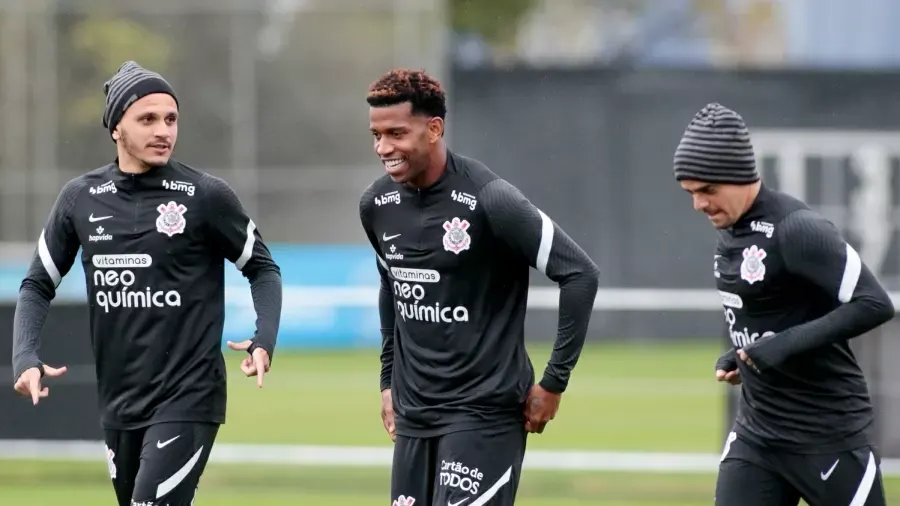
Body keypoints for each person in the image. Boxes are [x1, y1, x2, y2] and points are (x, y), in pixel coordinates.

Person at [11, 61, 283, 505]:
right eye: (147, 118)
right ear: (116, 127)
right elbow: (37, 285)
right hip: (119, 400)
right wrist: (25, 357)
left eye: (171, 119)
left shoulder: (206, 196)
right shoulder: (80, 198)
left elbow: (263, 268)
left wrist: (264, 339)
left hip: (189, 395)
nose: (163, 130)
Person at [359, 68, 601, 506]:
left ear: (434, 129)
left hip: (484, 411)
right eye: (376, 135)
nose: (383, 148)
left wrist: (553, 382)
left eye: (396, 133)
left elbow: (580, 273)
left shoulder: (491, 199)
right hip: (414, 414)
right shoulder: (376, 204)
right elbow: (391, 288)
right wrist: (387, 382)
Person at [674, 102, 894, 506]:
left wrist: (779, 347)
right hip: (758, 438)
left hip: (828, 437)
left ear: (738, 176)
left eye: (707, 190)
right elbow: (775, 318)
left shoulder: (797, 229)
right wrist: (743, 355)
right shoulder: (731, 227)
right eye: (690, 193)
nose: (699, 205)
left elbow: (875, 303)